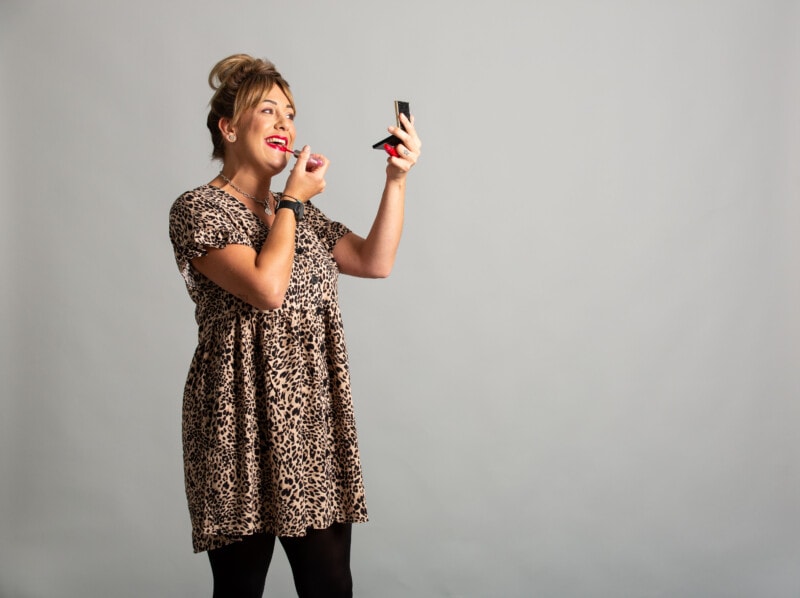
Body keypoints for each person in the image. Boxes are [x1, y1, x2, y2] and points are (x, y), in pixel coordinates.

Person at [168, 53, 421, 598]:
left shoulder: (301, 215)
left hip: (311, 420)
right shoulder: (198, 209)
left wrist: (396, 179)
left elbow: (375, 260)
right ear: (228, 128)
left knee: (329, 583)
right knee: (239, 587)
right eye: (268, 110)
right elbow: (266, 288)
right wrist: (291, 201)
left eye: (290, 114)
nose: (285, 123)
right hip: (235, 421)